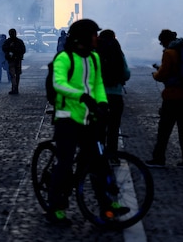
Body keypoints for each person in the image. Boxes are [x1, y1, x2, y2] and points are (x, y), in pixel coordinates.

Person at [47, 19, 127, 226]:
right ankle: (55, 208)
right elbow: (58, 83)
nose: (96, 38)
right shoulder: (63, 58)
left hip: (88, 118)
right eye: (93, 34)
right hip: (67, 117)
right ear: (83, 37)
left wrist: (102, 102)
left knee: (98, 162)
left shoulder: (94, 58)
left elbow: (98, 83)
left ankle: (107, 203)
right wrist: (82, 97)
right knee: (64, 163)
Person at [146, 29, 183, 170]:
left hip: (172, 96)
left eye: (162, 42)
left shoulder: (169, 53)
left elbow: (163, 74)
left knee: (164, 129)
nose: (162, 45)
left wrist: (155, 74)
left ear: (165, 40)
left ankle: (159, 158)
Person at [95, 29, 130, 158]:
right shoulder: (118, 52)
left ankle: (99, 155)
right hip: (116, 96)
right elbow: (126, 74)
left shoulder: (95, 52)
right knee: (113, 128)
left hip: (98, 96)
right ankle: (113, 155)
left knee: (98, 129)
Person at [2, 28, 26, 94]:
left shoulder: (9, 41)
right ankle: (15, 88)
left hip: (14, 59)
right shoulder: (18, 41)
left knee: (14, 75)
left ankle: (15, 88)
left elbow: (4, 48)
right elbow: (23, 50)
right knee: (15, 75)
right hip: (14, 59)